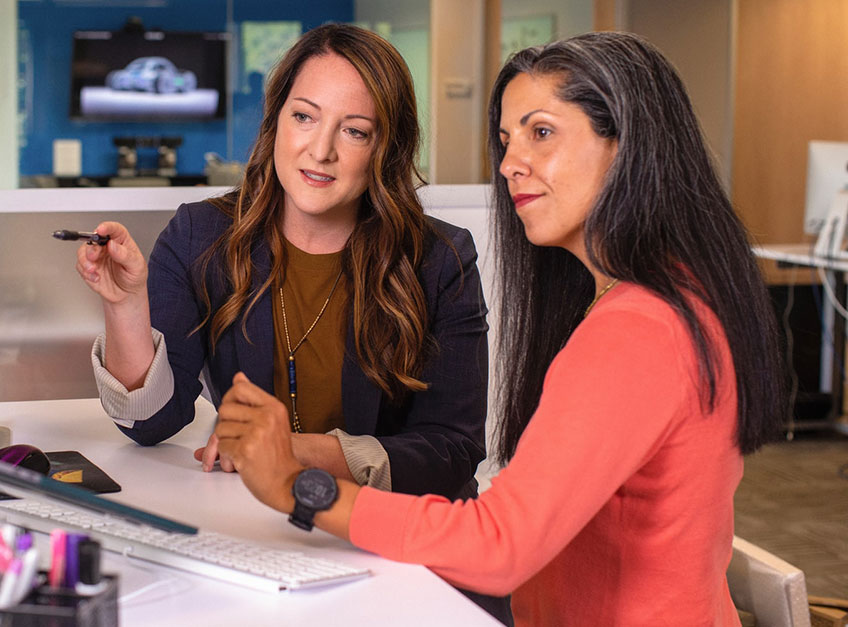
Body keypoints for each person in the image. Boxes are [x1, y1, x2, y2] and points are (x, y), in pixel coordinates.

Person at [214, 31, 787, 626]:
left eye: (542, 133)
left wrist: (297, 487)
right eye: (508, 140)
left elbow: (500, 547)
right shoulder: (675, 294)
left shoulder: (638, 330)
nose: (512, 163)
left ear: (627, 147)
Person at [75, 24, 510, 622]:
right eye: (304, 117)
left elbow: (453, 450)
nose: (320, 150)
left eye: (354, 131)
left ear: (386, 148)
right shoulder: (201, 235)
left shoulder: (439, 257)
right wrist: (124, 304)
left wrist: (295, 456)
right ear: (276, 120)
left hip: (401, 554)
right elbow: (153, 423)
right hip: (264, 545)